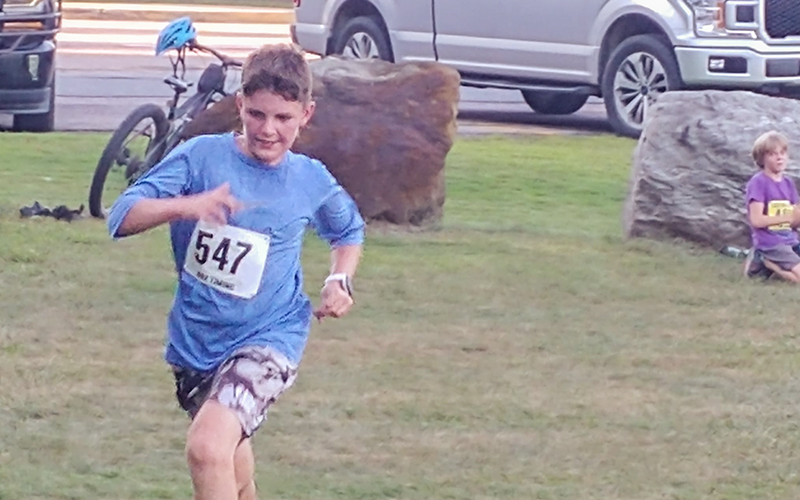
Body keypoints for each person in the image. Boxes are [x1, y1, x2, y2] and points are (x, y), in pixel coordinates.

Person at [107, 43, 365, 500]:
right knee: (232, 469)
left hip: (271, 337)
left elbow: (348, 230)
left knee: (207, 449)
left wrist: (338, 279)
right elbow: (121, 217)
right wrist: (188, 206)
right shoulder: (200, 157)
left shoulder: (310, 178)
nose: (268, 130)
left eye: (283, 119)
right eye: (258, 115)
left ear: (306, 114)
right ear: (240, 105)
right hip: (196, 346)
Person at [743, 130, 800, 282]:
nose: (779, 157)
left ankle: (768, 266)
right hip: (770, 242)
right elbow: (756, 220)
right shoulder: (758, 183)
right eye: (772, 154)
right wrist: (786, 217)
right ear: (762, 158)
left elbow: (795, 218)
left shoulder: (788, 183)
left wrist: (796, 218)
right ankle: (766, 261)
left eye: (782, 152)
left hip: (791, 240)